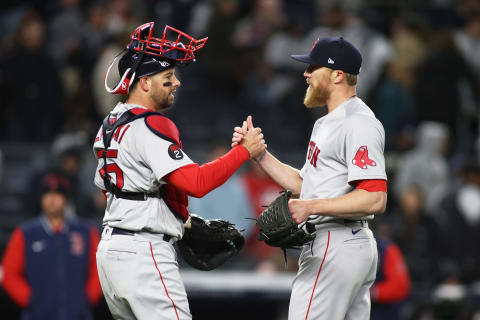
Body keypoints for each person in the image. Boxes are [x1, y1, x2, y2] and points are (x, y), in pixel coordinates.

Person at [93, 22, 266, 319]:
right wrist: (243, 152)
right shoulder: (152, 124)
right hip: (143, 252)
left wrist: (180, 219)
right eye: (168, 76)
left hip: (112, 251)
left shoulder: (111, 122)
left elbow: (129, 186)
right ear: (144, 82)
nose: (177, 83)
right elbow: (195, 183)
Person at [233, 37, 388, 319]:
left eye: (313, 67)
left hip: (337, 242)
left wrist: (311, 207)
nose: (305, 74)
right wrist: (259, 155)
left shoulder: (359, 123)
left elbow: (375, 197)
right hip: (342, 242)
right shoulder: (326, 122)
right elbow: (306, 186)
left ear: (338, 75)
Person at [1, 172, 102, 320]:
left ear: (65, 199)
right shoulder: (25, 233)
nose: (52, 199)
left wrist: (87, 299)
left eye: (58, 194)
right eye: (47, 194)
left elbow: (99, 270)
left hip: (78, 315)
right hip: (37, 315)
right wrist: (31, 299)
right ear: (41, 198)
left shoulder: (86, 232)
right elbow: (9, 274)